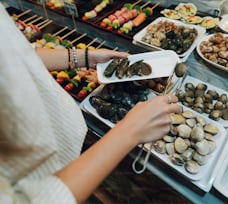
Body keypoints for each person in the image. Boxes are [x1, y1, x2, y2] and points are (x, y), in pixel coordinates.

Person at [0, 3, 182, 204]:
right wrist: (130, 131)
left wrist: (85, 57)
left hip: (64, 153)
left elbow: (15, 54)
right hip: (41, 177)